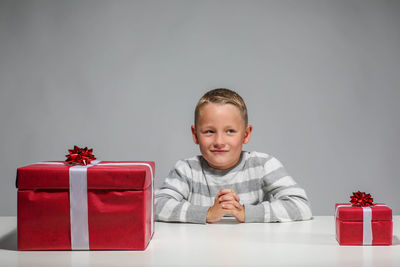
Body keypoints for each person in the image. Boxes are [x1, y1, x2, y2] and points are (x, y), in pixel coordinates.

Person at [155, 88, 312, 223]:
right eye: (209, 131)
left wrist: (245, 212)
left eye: (230, 131)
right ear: (195, 134)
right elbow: (155, 205)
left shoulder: (263, 165)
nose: (219, 141)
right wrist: (208, 213)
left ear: (246, 134)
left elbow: (300, 205)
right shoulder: (186, 169)